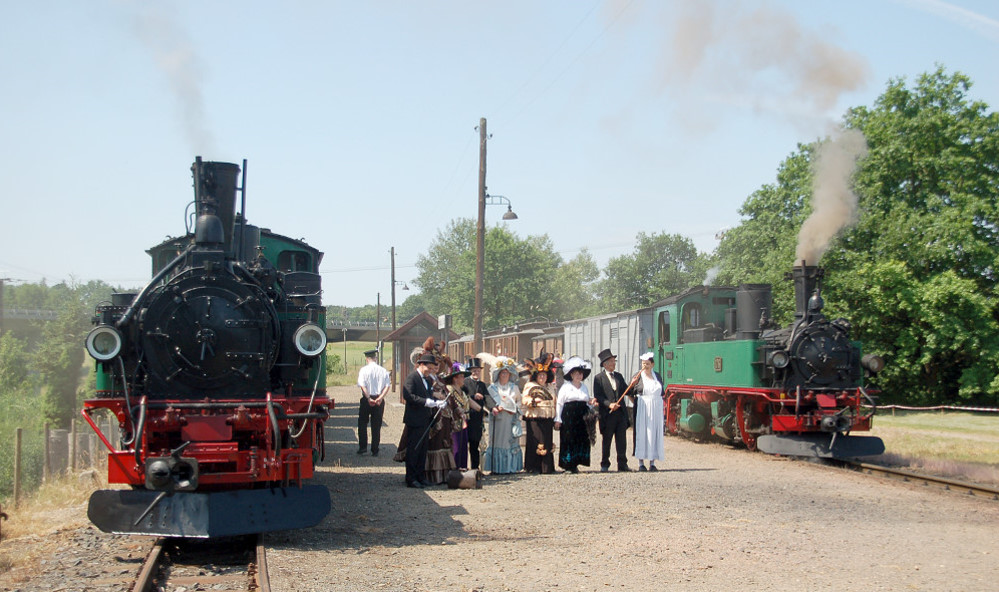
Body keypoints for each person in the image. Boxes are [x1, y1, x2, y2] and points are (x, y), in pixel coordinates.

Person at [402, 353, 445, 488]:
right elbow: (409, 396)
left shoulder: (427, 380)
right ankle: (411, 478)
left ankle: (421, 476)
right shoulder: (412, 378)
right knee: (414, 449)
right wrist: (427, 403)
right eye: (429, 368)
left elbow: (428, 395)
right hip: (414, 419)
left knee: (422, 450)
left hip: (425, 419)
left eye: (433, 368)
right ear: (421, 365)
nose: (431, 371)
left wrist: (437, 402)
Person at [593, 348, 635, 472]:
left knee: (621, 440)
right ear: (605, 364)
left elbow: (627, 391)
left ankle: (622, 464)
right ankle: (605, 463)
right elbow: (598, 396)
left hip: (620, 415)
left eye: (614, 361)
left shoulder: (619, 376)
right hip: (607, 414)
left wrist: (632, 384)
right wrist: (609, 404)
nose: (613, 364)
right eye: (611, 361)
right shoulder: (598, 378)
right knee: (607, 439)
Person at [424, 363, 467, 484]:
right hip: (435, 418)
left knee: (445, 444)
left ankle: (444, 476)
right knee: (435, 445)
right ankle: (432, 477)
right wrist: (434, 395)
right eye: (433, 366)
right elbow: (422, 395)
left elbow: (451, 400)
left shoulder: (441, 381)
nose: (436, 369)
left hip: (446, 418)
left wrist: (458, 411)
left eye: (437, 366)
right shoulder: (426, 380)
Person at [555, 356, 595, 473]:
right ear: (571, 375)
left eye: (581, 374)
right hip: (569, 415)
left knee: (580, 439)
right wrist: (558, 418)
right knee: (569, 439)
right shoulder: (566, 387)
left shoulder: (584, 387)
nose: (579, 376)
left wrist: (591, 403)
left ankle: (576, 462)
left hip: (581, 416)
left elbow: (586, 402)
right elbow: (560, 403)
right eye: (576, 374)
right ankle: (568, 464)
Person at [483, 357, 523, 474]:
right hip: (497, 419)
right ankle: (496, 468)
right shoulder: (492, 388)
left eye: (507, 373)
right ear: (498, 374)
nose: (505, 375)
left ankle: (510, 467)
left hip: (510, 418)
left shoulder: (514, 388)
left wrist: (515, 409)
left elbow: (519, 401)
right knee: (497, 442)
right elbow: (488, 402)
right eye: (502, 373)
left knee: (509, 442)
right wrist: (495, 408)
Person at [521, 352, 557, 474]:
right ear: (536, 376)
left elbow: (555, 401)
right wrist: (533, 401)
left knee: (547, 441)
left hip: (548, 418)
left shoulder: (550, 387)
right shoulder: (530, 385)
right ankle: (534, 467)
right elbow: (524, 399)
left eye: (544, 375)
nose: (542, 377)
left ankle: (547, 467)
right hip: (535, 418)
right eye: (540, 375)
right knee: (535, 441)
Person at [633, 352, 665, 471]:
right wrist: (638, 403)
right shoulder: (638, 376)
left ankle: (652, 462)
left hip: (656, 407)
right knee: (643, 433)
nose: (645, 366)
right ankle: (641, 463)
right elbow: (631, 392)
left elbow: (662, 391)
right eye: (643, 363)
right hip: (643, 407)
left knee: (654, 433)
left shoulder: (657, 376)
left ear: (652, 364)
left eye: (647, 363)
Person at [356, 348, 390, 456]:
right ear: (375, 358)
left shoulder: (363, 370)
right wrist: (380, 397)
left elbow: (363, 385)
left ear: (367, 359)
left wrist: (368, 398)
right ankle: (375, 449)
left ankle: (363, 447)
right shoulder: (383, 370)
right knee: (376, 425)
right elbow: (387, 386)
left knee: (362, 423)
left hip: (367, 400)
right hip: (379, 400)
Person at [462, 357, 493, 470]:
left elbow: (487, 398)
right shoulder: (465, 383)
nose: (476, 373)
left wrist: (493, 408)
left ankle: (475, 468)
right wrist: (473, 397)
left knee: (475, 444)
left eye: (478, 371)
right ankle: (463, 467)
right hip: (466, 417)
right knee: (464, 444)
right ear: (470, 371)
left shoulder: (482, 385)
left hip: (477, 419)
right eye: (474, 371)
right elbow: (461, 397)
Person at [444, 362, 472, 470]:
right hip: (454, 423)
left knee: (463, 446)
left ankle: (463, 467)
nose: (463, 379)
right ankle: (455, 469)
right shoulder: (450, 390)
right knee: (456, 447)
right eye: (461, 376)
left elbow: (468, 403)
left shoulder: (462, 391)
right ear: (455, 378)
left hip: (464, 422)